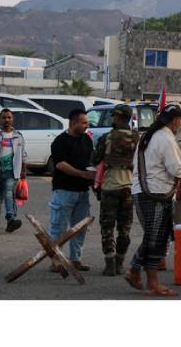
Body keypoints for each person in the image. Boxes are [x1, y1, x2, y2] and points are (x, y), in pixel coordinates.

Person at [125, 103, 181, 297]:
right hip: (156, 194)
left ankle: (141, 274)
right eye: (180, 120)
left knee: (155, 238)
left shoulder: (148, 136)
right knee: (155, 239)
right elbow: (176, 170)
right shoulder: (166, 138)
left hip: (143, 191)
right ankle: (145, 278)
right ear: (176, 120)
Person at [90, 104, 139, 276]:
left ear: (118, 118)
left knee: (107, 227)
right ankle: (120, 262)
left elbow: (95, 159)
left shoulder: (107, 137)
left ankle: (109, 263)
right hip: (129, 188)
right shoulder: (137, 139)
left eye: (114, 117)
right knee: (124, 228)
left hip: (110, 187)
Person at [48, 108, 96, 273]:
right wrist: (82, 174)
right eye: (84, 123)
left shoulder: (87, 139)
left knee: (80, 227)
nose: (87, 125)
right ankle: (56, 260)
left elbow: (90, 160)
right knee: (58, 227)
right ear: (73, 123)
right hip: (64, 190)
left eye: (87, 122)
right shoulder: (60, 141)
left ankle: (76, 259)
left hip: (83, 191)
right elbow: (60, 164)